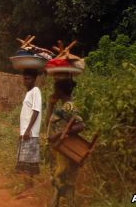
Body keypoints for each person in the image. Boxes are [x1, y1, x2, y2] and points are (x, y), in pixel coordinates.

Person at [46, 78, 85, 207]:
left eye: (55, 89)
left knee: (63, 180)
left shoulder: (69, 106)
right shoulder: (62, 107)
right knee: (58, 180)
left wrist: (59, 134)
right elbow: (47, 123)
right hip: (57, 150)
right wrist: (51, 104)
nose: (53, 91)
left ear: (60, 90)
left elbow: (80, 125)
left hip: (64, 151)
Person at [16, 69, 42, 190]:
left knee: (28, 163)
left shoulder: (35, 91)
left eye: (28, 78)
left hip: (30, 133)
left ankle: (29, 189)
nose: (25, 81)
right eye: (24, 78)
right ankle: (27, 188)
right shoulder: (29, 92)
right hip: (26, 133)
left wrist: (27, 130)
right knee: (25, 163)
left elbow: (36, 111)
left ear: (34, 79)